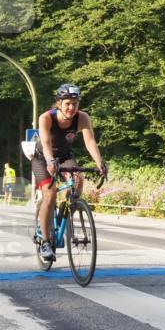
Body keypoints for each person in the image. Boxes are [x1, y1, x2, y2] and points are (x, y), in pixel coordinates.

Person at [32, 84, 106, 262]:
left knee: (78, 180)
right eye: (67, 104)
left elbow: (90, 142)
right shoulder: (46, 117)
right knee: (49, 194)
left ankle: (65, 212)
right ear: (59, 103)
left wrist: (100, 163)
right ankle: (45, 241)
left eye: (75, 103)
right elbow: (46, 142)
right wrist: (50, 161)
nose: (72, 108)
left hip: (65, 156)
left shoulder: (82, 118)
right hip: (43, 157)